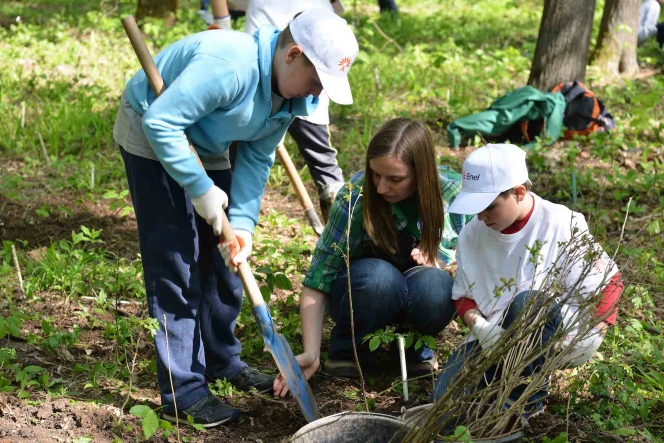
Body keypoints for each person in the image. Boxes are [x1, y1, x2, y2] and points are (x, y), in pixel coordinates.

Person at [113, 8, 358, 427]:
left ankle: (222, 360)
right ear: (293, 54)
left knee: (227, 258)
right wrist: (200, 187)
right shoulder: (230, 67)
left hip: (206, 136)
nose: (318, 93)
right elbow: (162, 121)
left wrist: (241, 225)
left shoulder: (292, 95)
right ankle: (183, 390)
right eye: (317, 79)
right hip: (154, 132)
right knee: (176, 261)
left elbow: (257, 160)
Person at [272, 118, 474, 397]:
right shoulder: (356, 196)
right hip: (364, 290)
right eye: (375, 175)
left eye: (395, 179)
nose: (380, 188)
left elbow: (482, 265)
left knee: (434, 286)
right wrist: (310, 352)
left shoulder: (455, 196)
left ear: (421, 174)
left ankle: (417, 348)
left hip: (421, 292)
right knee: (379, 279)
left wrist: (441, 262)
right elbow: (319, 276)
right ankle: (350, 348)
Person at [430, 144, 623, 418]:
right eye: (477, 208)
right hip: (494, 336)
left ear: (519, 192)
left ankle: (523, 402)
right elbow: (464, 295)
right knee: (443, 402)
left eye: (490, 207)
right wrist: (482, 328)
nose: (482, 216)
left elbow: (609, 281)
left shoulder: (560, 222)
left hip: (555, 332)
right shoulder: (473, 233)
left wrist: (594, 333)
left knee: (529, 302)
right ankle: (502, 387)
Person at [242, 0, 348, 220]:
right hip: (267, 57)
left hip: (319, 42)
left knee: (320, 152)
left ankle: (342, 231)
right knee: (242, 149)